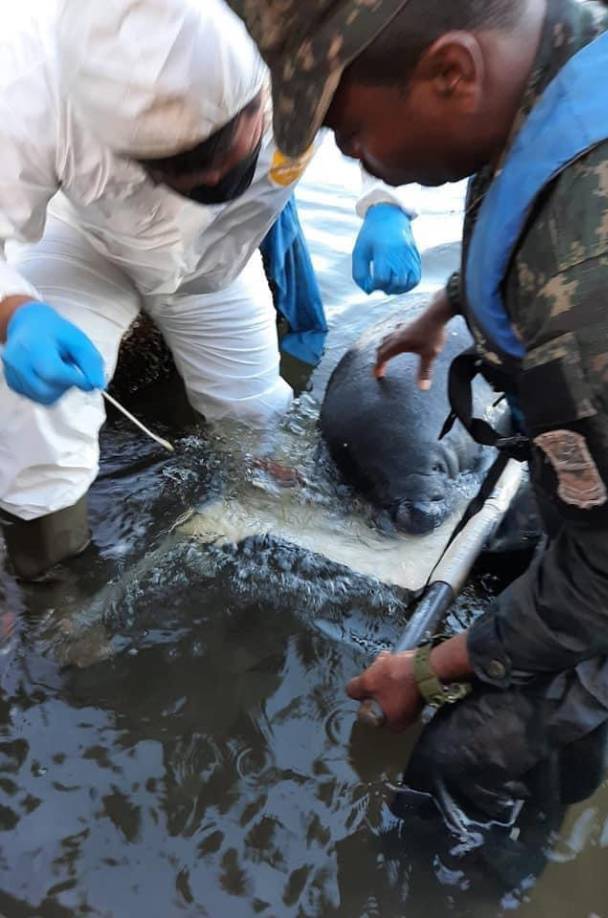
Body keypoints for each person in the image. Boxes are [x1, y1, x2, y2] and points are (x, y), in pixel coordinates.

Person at [229, 0, 608, 834]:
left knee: (462, 761)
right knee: (501, 547)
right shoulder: (579, 47)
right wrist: (447, 306)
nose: (349, 155)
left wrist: (433, 672)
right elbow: (547, 193)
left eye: (345, 127)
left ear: (450, 73)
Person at [0, 0, 421, 581]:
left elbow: (384, 72)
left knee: (259, 415)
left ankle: (287, 537)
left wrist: (386, 203)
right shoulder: (26, 64)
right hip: (83, 243)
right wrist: (14, 311)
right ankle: (53, 585)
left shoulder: (299, 23)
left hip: (217, 261)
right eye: (176, 164)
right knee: (37, 417)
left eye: (218, 152)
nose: (203, 177)